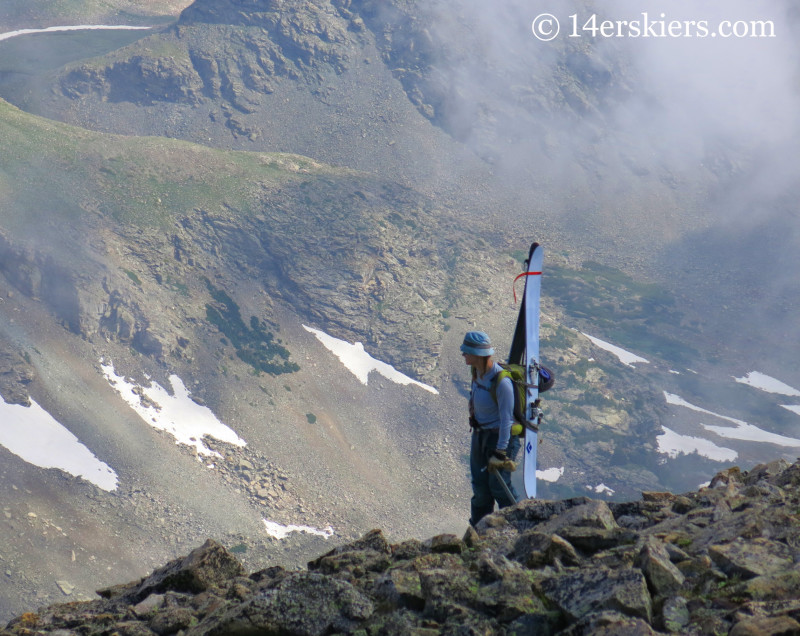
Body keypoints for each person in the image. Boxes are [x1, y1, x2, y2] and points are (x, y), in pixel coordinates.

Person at [461, 330, 520, 526]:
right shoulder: (476, 372)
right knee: (480, 489)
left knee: (499, 488)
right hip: (480, 436)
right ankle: (478, 532)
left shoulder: (502, 382)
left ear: (477, 354)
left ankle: (520, 524)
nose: (463, 355)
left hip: (499, 439)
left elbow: (506, 419)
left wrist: (501, 452)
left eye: (466, 352)